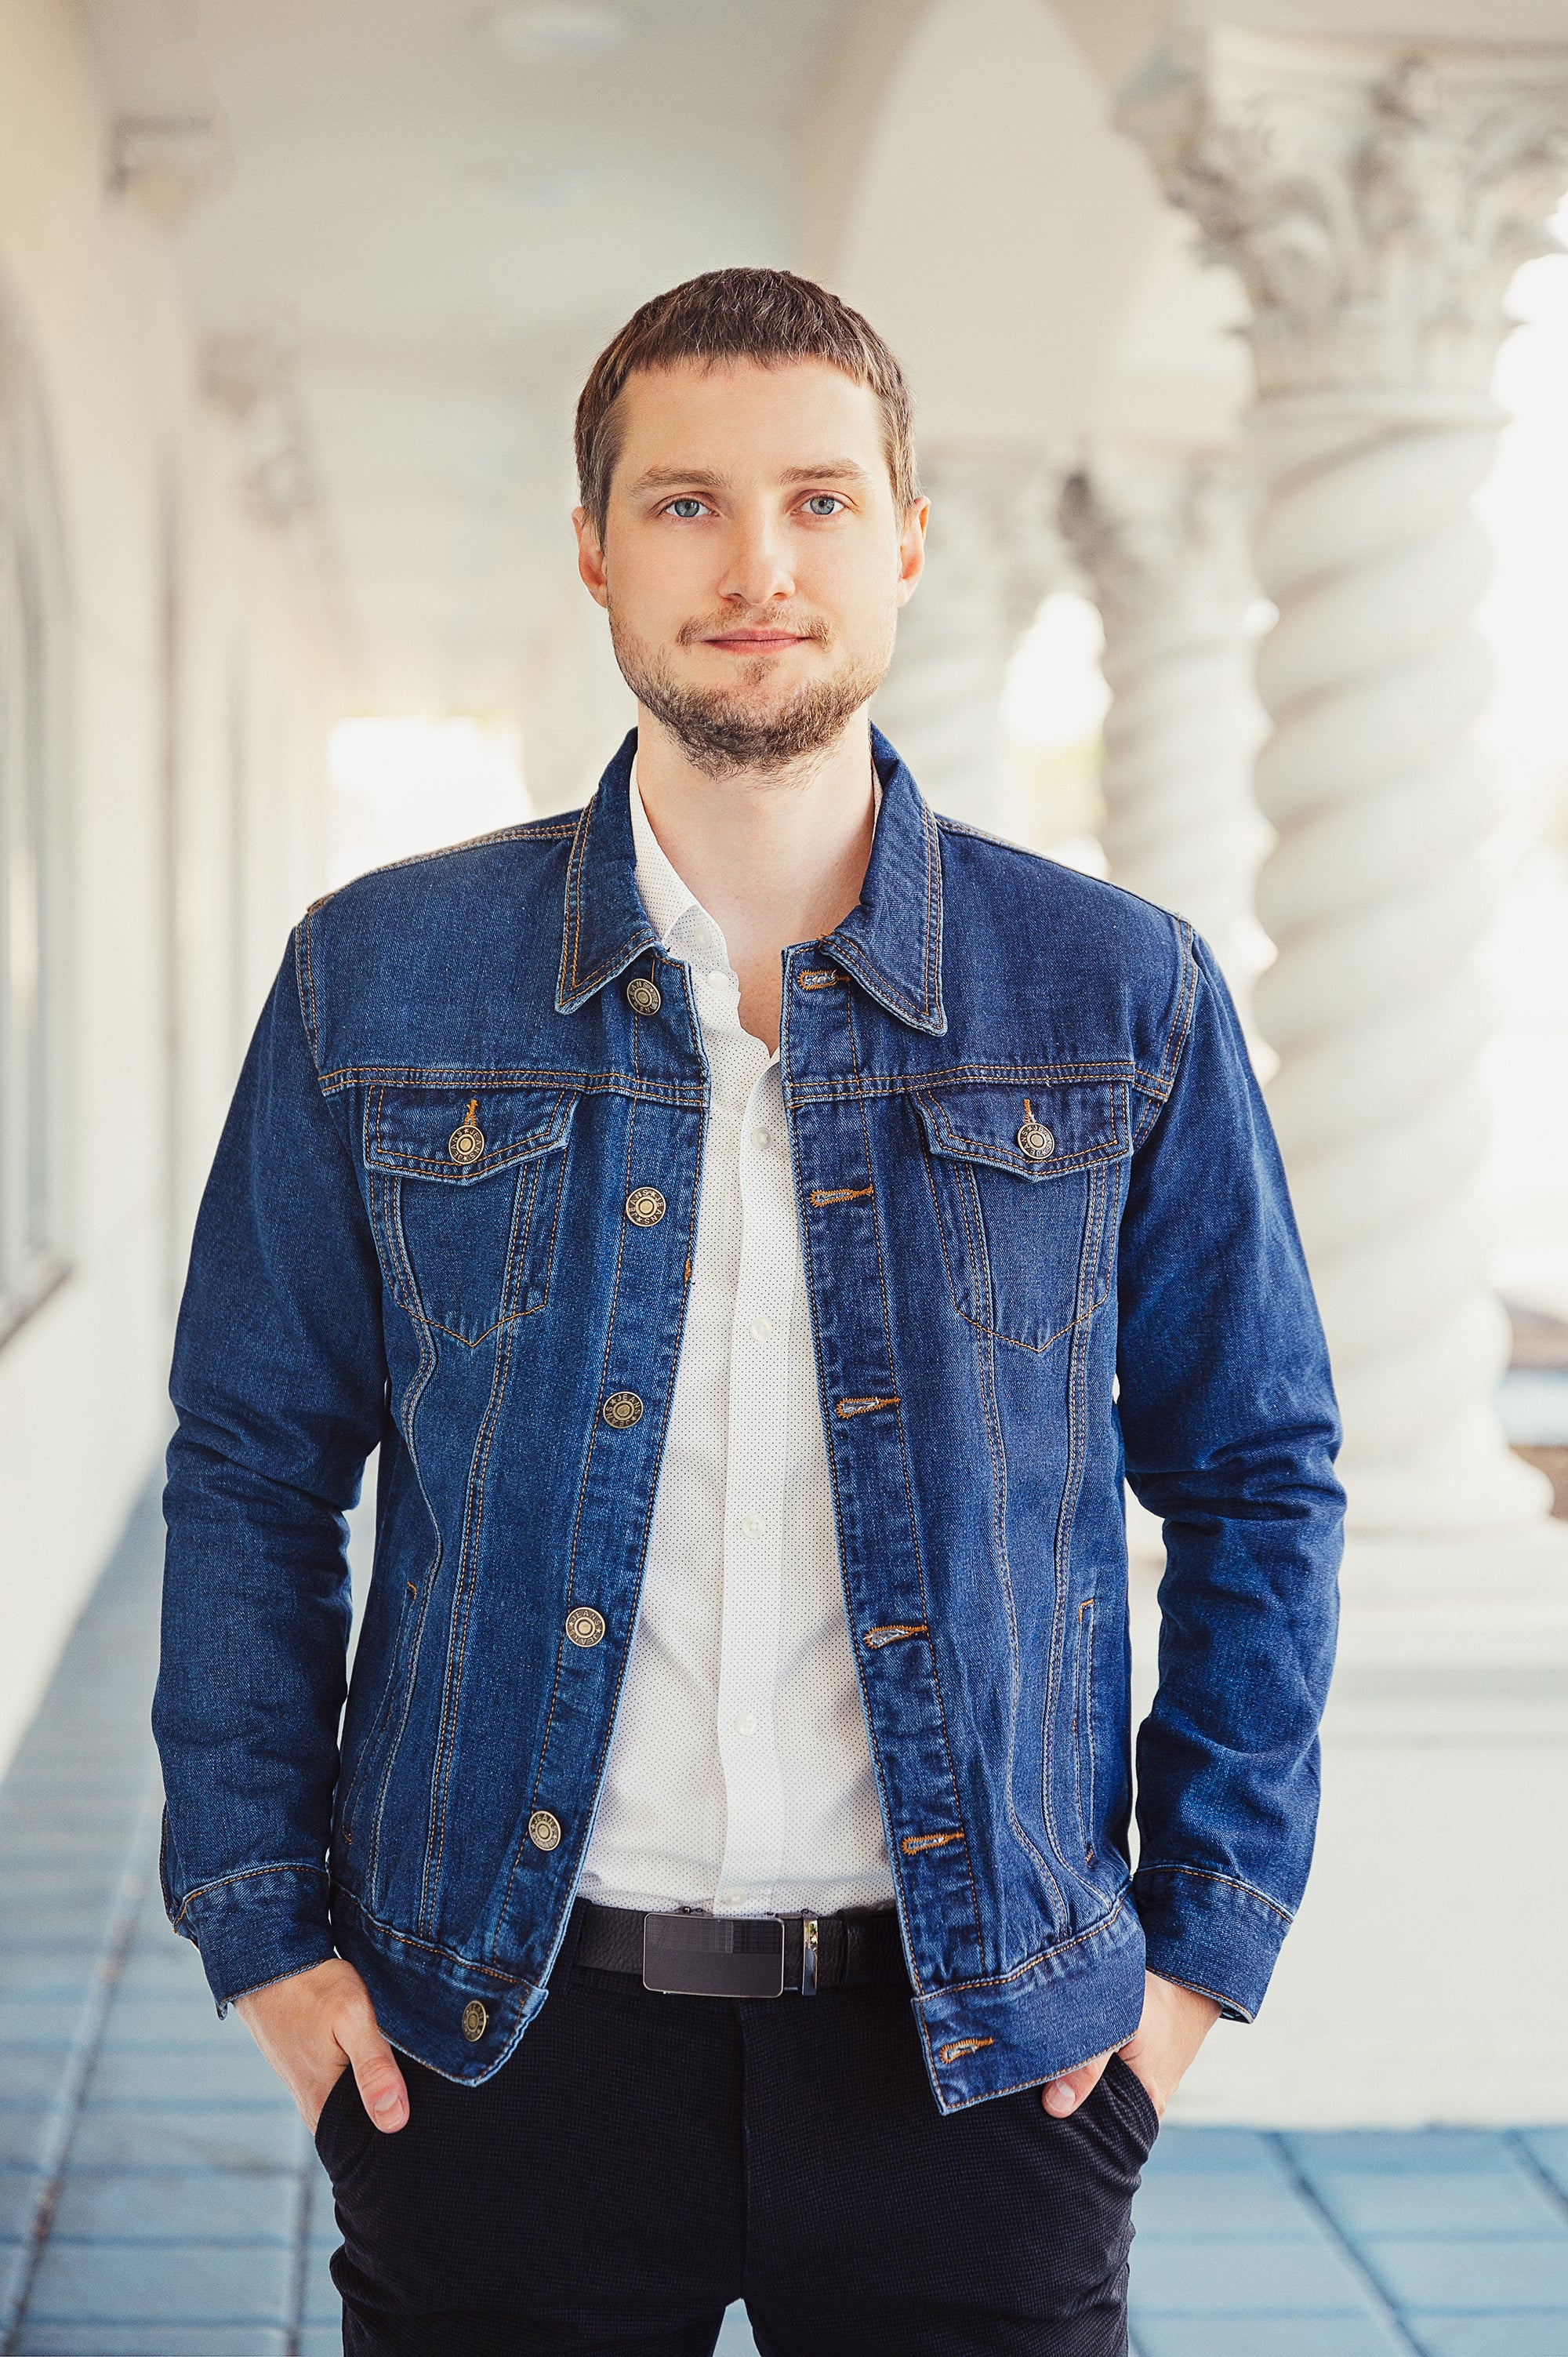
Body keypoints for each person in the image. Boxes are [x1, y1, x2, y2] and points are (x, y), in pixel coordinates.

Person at [154, 267, 1343, 2356]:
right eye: (688, 503)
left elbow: (1257, 1477)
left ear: (904, 539)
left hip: (976, 2066)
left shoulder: (1118, 995)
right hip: (496, 2049)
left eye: (816, 497)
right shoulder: (381, 978)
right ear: (597, 550)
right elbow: (256, 1463)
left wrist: (1188, 1974)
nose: (758, 564)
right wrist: (264, 1934)